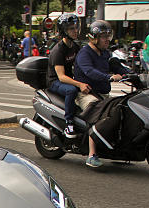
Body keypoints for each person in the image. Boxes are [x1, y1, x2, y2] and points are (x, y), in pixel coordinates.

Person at [74, 20, 127, 168]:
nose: (107, 40)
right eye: (103, 36)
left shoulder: (105, 53)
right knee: (99, 115)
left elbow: (116, 65)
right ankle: (91, 155)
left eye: (108, 36)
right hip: (86, 93)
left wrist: (133, 74)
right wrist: (109, 77)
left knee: (120, 110)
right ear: (94, 37)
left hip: (102, 93)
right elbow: (89, 71)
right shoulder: (84, 53)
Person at [47, 13, 90, 139]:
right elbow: (61, 77)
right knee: (71, 90)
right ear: (63, 30)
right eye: (71, 28)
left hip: (68, 78)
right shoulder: (58, 50)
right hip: (55, 81)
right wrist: (79, 84)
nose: (75, 31)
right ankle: (69, 124)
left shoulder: (75, 46)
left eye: (76, 27)